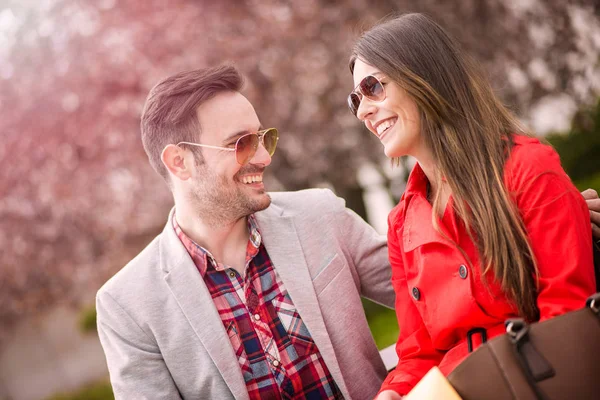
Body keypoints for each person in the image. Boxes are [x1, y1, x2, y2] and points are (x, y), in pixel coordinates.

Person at [96, 65, 396, 399]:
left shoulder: (321, 215)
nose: (265, 157)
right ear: (180, 162)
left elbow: (432, 288)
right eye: (242, 143)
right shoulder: (126, 305)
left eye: (263, 139)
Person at [347, 13, 598, 399]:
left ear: (424, 76)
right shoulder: (401, 223)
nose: (363, 110)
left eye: (372, 87)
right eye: (356, 99)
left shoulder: (527, 168)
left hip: (536, 382)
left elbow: (567, 313)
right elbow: (418, 352)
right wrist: (393, 393)